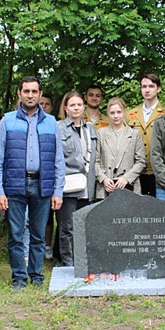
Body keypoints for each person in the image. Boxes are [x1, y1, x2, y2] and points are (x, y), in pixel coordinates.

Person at [0, 77, 65, 290]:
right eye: (26, 91)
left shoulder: (51, 122)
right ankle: (19, 277)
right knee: (15, 234)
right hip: (14, 184)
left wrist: (58, 190)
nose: (30, 95)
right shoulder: (7, 121)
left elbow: (58, 160)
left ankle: (36, 275)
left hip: (42, 185)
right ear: (19, 94)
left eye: (34, 91)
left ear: (40, 94)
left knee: (38, 234)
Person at [56, 91, 99, 267]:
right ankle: (67, 262)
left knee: (84, 225)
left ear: (84, 107)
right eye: (72, 105)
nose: (76, 108)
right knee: (67, 227)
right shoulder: (58, 128)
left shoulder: (90, 129)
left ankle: (82, 260)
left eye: (79, 105)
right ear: (65, 108)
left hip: (87, 184)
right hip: (68, 184)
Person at [96, 97, 146, 199]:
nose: (116, 116)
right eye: (112, 113)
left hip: (129, 185)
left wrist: (126, 178)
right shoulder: (101, 133)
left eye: (119, 112)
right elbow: (95, 161)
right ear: (108, 113)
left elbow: (141, 161)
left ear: (124, 112)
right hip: (107, 187)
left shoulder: (134, 134)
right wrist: (103, 179)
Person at [127, 73, 165, 196]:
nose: (147, 90)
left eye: (151, 86)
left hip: (158, 170)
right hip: (135, 170)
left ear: (158, 88)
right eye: (144, 86)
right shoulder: (131, 114)